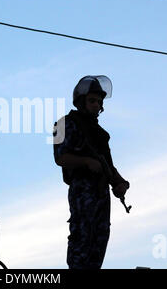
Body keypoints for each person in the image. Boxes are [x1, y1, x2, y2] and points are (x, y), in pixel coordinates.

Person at [53, 75, 130, 269]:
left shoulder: (101, 134)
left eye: (99, 102)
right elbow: (60, 158)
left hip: (101, 193)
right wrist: (86, 161)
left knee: (99, 240)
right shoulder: (63, 124)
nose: (97, 105)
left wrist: (120, 182)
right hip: (82, 191)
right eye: (92, 101)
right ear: (81, 101)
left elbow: (109, 166)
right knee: (82, 238)